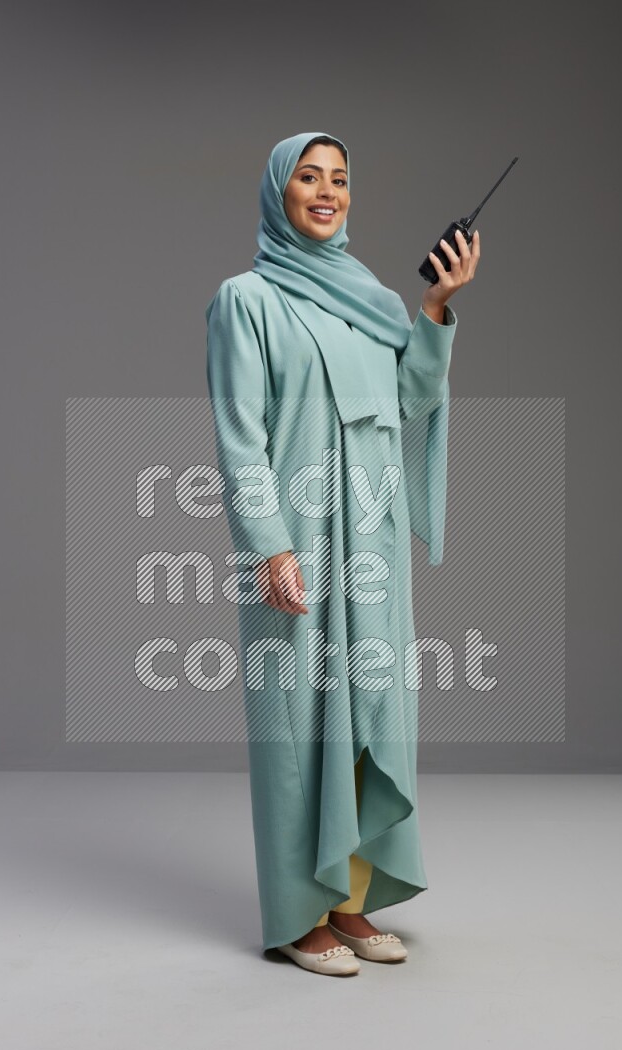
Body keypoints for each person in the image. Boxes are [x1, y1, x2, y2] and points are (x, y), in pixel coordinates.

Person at [205, 131, 480, 976]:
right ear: (278, 192)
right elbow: (239, 437)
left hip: (372, 537)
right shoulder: (244, 300)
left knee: (372, 715)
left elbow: (407, 400)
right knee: (295, 726)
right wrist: (267, 546)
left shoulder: (376, 300)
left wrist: (434, 308)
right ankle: (296, 916)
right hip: (295, 542)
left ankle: (351, 903)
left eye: (340, 180)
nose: (327, 193)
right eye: (309, 179)